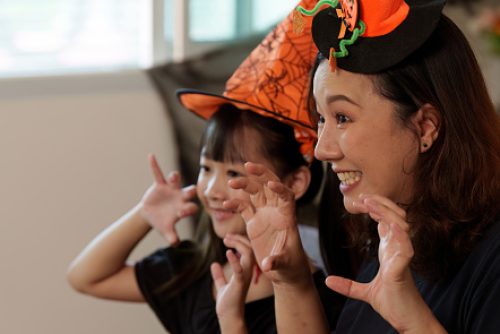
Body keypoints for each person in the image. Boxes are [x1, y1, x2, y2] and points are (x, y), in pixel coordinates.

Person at [67, 1, 350, 332]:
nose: (212, 189)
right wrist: (143, 215)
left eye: (233, 173)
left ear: (296, 181)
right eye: (206, 168)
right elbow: (86, 277)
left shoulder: (314, 297)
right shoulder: (195, 271)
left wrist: (232, 320)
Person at [224, 0, 500, 332]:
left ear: (425, 127)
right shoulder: (391, 236)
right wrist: (290, 279)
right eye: (321, 119)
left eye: (342, 118)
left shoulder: (491, 260)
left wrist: (414, 322)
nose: (322, 150)